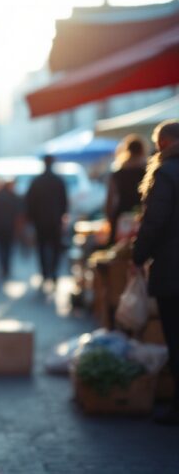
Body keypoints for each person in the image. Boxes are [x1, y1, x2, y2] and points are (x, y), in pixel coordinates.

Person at [132, 119, 179, 425]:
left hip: (174, 271)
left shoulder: (167, 172)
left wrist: (139, 255)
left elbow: (155, 221)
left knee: (176, 337)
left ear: (163, 144)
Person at [25, 155, 68, 287]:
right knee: (55, 248)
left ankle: (45, 273)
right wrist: (62, 216)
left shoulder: (37, 181)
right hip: (54, 220)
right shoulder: (58, 180)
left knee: (41, 248)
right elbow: (64, 201)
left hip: (40, 221)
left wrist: (31, 219)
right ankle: (53, 272)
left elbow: (29, 202)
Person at [106, 134, 147, 245]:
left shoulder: (118, 172)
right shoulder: (147, 170)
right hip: (142, 214)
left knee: (120, 252)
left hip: (122, 214)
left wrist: (110, 218)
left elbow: (110, 199)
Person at [0, 180, 23, 279]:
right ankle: (6, 266)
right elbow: (19, 213)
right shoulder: (13, 197)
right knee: (8, 247)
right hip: (10, 227)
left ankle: (3, 266)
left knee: (1, 247)